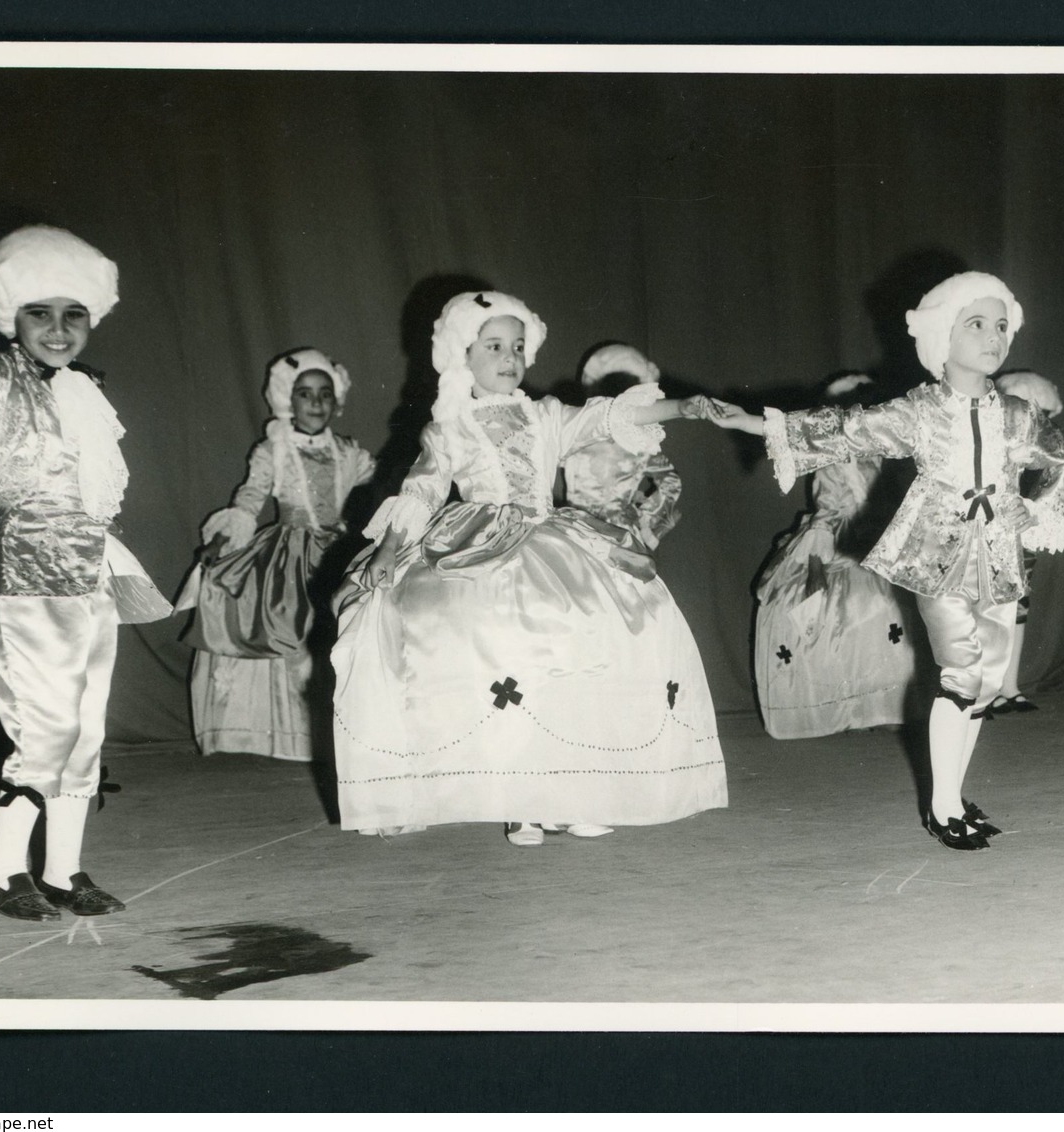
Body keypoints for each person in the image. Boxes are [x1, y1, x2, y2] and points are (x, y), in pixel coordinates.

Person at [704, 272, 1064, 850]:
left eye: (1000, 326)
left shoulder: (1016, 414)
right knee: (959, 672)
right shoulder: (921, 410)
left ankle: (956, 792)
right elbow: (844, 430)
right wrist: (758, 423)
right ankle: (942, 807)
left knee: (984, 682)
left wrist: (1035, 514)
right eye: (976, 324)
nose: (992, 337)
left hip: (999, 558)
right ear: (943, 336)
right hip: (938, 559)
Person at [331, 291, 726, 846]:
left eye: (517, 346)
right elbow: (422, 489)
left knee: (582, 640)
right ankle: (519, 799)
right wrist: (389, 546)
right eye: (494, 346)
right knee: (497, 647)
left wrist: (681, 408)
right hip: (476, 542)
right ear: (462, 355)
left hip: (549, 537)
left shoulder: (545, 415)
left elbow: (609, 415)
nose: (510, 357)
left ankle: (573, 792)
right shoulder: (450, 426)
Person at [0, 225, 171, 920]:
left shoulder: (83, 390)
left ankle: (62, 869)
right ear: (9, 313)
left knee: (86, 730)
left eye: (74, 314)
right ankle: (2, 869)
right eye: (39, 312)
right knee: (45, 729)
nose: (58, 329)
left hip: (89, 574)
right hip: (23, 576)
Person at [176, 348, 377, 761]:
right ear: (288, 400)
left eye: (325, 394)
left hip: (337, 550)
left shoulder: (350, 453)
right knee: (286, 624)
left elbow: (379, 486)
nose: (316, 403)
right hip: (290, 549)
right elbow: (250, 497)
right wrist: (222, 541)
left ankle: (343, 730)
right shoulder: (274, 451)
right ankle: (293, 735)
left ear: (337, 402)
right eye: (305, 394)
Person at [753, 373, 917, 739]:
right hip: (845, 535)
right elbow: (828, 503)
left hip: (880, 533)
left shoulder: (884, 447)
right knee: (849, 611)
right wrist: (819, 551)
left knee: (883, 615)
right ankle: (856, 706)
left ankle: (883, 705)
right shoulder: (834, 452)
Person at [987, 370, 1064, 716]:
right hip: (984, 529)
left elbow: (1050, 487)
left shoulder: (1042, 447)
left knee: (1018, 606)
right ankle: (983, 692)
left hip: (1020, 533)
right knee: (982, 610)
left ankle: (1009, 687)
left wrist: (1033, 515)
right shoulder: (990, 438)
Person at [561, 343, 682, 551]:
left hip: (575, 529)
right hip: (618, 535)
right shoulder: (637, 441)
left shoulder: (574, 431)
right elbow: (671, 481)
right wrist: (646, 522)